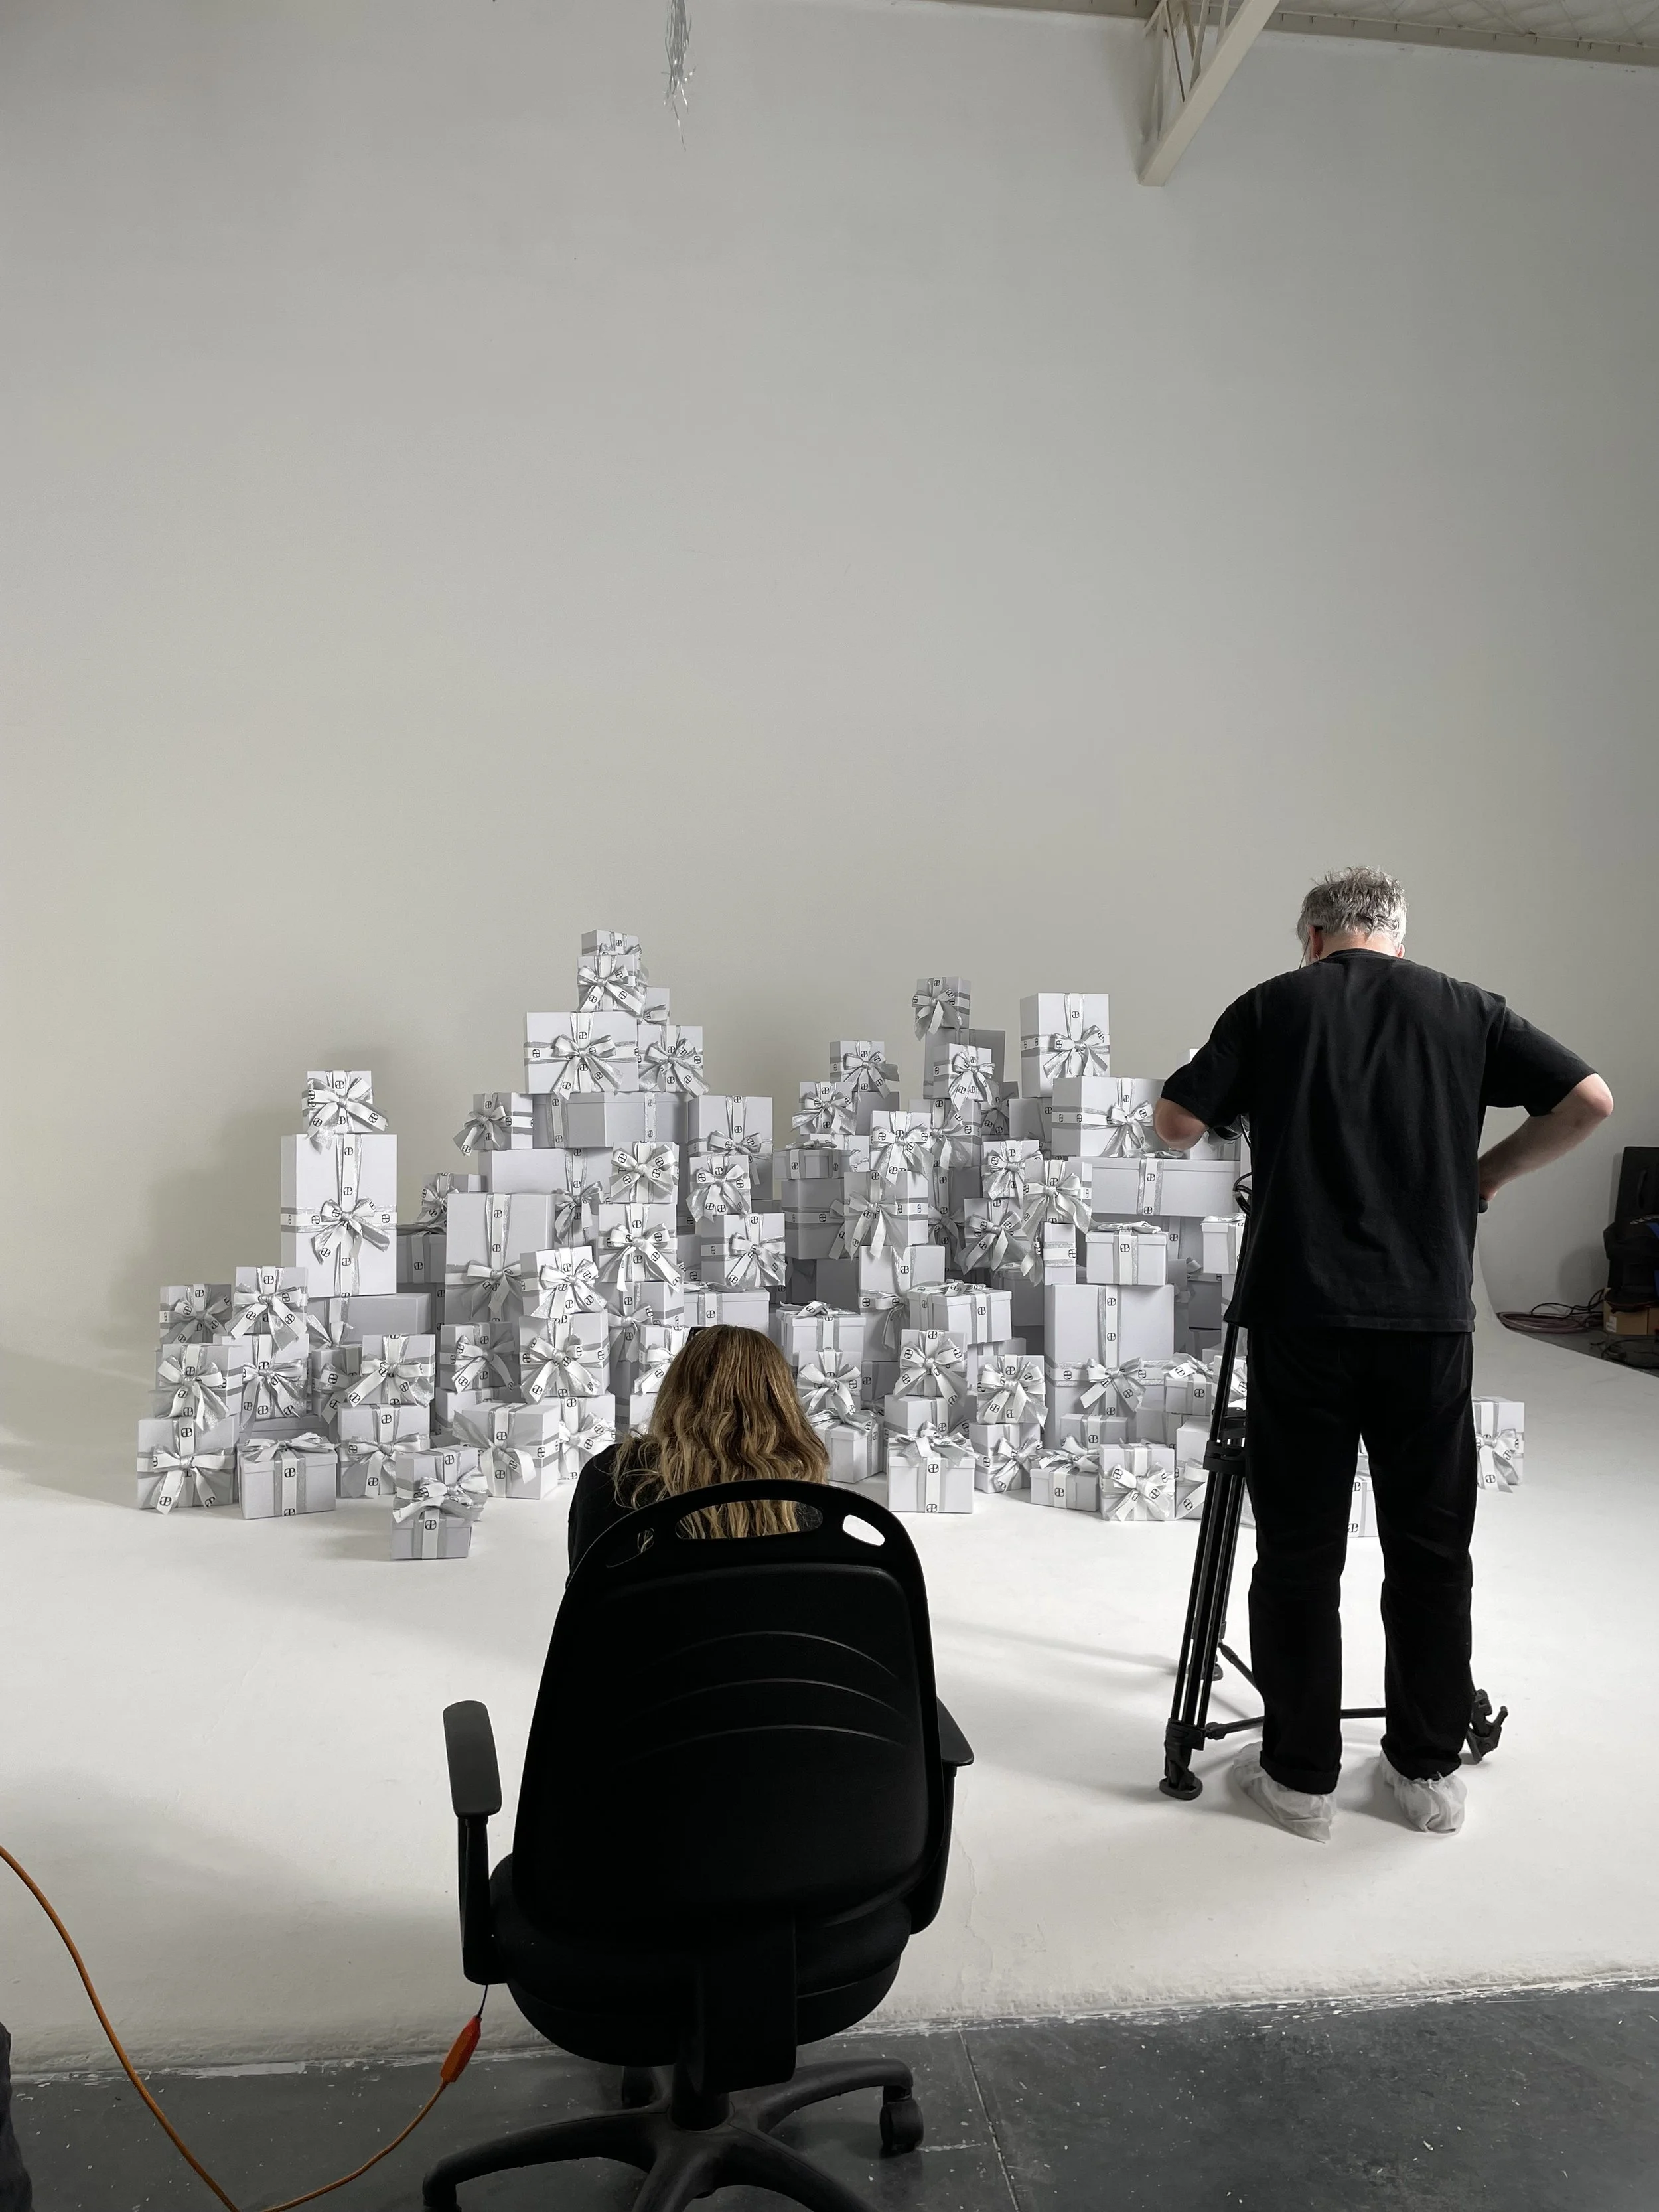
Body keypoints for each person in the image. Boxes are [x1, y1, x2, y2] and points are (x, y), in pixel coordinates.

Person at [1154, 867, 1612, 1844]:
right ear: (1398, 937)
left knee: (1299, 1551)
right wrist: (1482, 1176)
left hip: (1301, 1317)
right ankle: (1426, 1772)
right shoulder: (1469, 1009)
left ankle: (1299, 1781)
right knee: (1432, 1552)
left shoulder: (1275, 1004)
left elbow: (1176, 1123)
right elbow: (1590, 1100)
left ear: (1313, 938)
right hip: (1427, 1323)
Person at [567, 1325, 828, 1569]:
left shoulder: (612, 1473)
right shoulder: (805, 1491)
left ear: (674, 1389)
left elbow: (582, 1587)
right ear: (781, 1402)